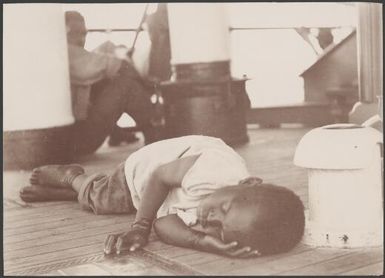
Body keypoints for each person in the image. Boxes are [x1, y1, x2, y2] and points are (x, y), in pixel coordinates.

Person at [19, 135, 305, 257]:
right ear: (250, 182)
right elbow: (158, 177)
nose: (210, 218)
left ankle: (67, 192)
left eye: (218, 229)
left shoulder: (215, 214)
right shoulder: (216, 171)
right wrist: (139, 226)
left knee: (108, 204)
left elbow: (164, 223)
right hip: (142, 173)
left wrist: (202, 241)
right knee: (104, 199)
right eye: (224, 209)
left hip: (158, 195)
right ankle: (72, 177)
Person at [65, 11, 160, 155]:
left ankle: (117, 133)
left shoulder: (66, 54)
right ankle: (159, 135)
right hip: (75, 142)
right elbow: (117, 65)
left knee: (104, 81)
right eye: (75, 33)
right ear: (61, 33)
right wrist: (146, 85)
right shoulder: (66, 53)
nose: (81, 39)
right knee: (126, 86)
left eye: (84, 34)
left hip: (66, 139)